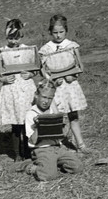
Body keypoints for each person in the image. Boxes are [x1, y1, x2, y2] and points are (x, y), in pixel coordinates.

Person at [39, 14, 90, 153]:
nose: (58, 35)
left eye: (61, 32)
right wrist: (52, 80)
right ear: (50, 32)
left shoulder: (72, 46)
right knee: (58, 118)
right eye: (55, 32)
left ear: (66, 31)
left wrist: (73, 76)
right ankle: (60, 145)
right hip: (57, 89)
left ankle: (80, 144)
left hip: (71, 87)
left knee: (74, 116)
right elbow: (42, 70)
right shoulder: (45, 49)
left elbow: (80, 66)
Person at [18, 79, 83, 181]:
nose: (46, 101)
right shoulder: (31, 114)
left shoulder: (53, 111)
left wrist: (63, 125)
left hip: (57, 148)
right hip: (42, 149)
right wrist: (39, 125)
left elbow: (62, 135)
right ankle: (30, 166)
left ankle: (51, 164)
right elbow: (32, 141)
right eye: (44, 97)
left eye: (50, 98)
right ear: (36, 95)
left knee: (77, 167)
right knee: (49, 176)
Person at [0, 19, 37, 161]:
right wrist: (3, 79)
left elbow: (35, 68)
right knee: (16, 124)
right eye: (11, 38)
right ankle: (17, 154)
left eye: (17, 37)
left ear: (21, 35)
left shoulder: (27, 50)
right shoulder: (1, 52)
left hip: (26, 89)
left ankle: (28, 151)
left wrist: (31, 74)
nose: (14, 41)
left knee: (27, 121)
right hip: (11, 90)